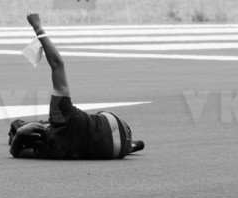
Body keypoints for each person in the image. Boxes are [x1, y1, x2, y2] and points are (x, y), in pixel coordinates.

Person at [8, 13, 144, 159]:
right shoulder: (62, 116)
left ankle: (130, 146)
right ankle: (128, 144)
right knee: (99, 115)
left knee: (87, 142)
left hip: (116, 151)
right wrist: (37, 27)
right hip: (117, 125)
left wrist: (20, 136)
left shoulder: (50, 151)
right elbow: (57, 64)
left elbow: (15, 153)